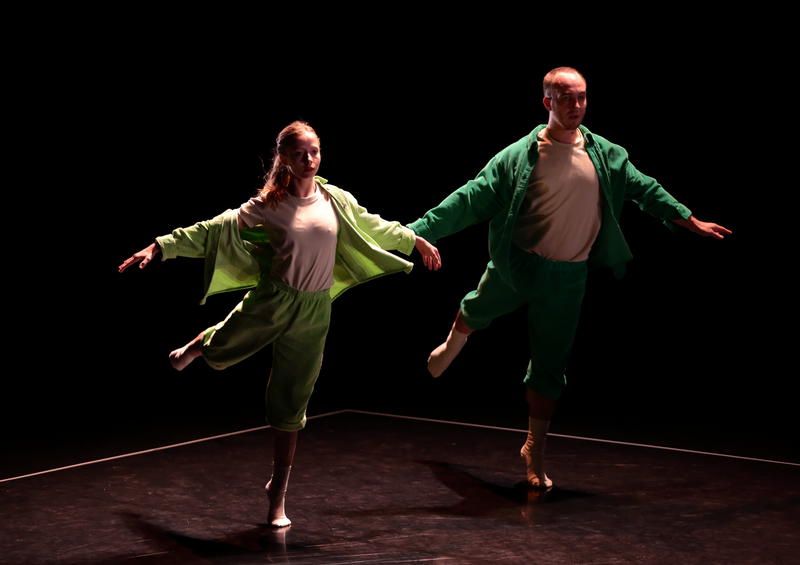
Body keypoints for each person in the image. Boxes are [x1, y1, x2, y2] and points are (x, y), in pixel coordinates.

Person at [406, 67, 731, 490]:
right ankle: (453, 343)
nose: (575, 106)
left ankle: (533, 449)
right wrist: (414, 231)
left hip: (568, 276)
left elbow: (645, 189)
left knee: (550, 365)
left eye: (581, 98)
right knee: (477, 308)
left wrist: (689, 220)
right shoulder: (519, 156)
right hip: (519, 265)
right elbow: (469, 197)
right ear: (548, 103)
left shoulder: (607, 155)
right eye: (565, 98)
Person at [119, 121, 441, 527]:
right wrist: (161, 247)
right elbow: (211, 231)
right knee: (226, 343)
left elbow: (372, 224)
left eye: (315, 152)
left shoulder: (334, 199)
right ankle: (198, 346)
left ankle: (278, 494)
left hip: (314, 310)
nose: (309, 160)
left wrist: (414, 240)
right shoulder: (266, 206)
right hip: (273, 300)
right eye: (300, 154)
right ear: (284, 159)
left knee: (292, 403)